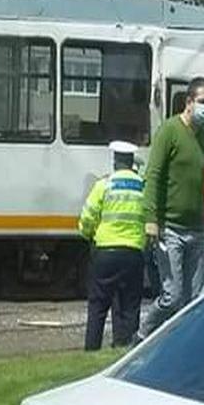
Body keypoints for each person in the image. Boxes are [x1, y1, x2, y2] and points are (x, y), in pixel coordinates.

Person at [138, 76, 204, 340]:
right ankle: (142, 336)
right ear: (189, 102)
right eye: (203, 102)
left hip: (197, 229)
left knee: (197, 298)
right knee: (173, 296)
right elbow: (154, 175)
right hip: (170, 228)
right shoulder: (169, 131)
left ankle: (185, 343)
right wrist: (151, 219)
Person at [78, 141, 146, 351]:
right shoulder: (143, 186)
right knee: (130, 305)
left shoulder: (104, 185)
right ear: (131, 162)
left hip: (105, 252)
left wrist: (87, 233)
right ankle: (125, 348)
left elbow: (88, 217)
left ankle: (91, 349)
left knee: (98, 305)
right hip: (133, 252)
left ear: (115, 161)